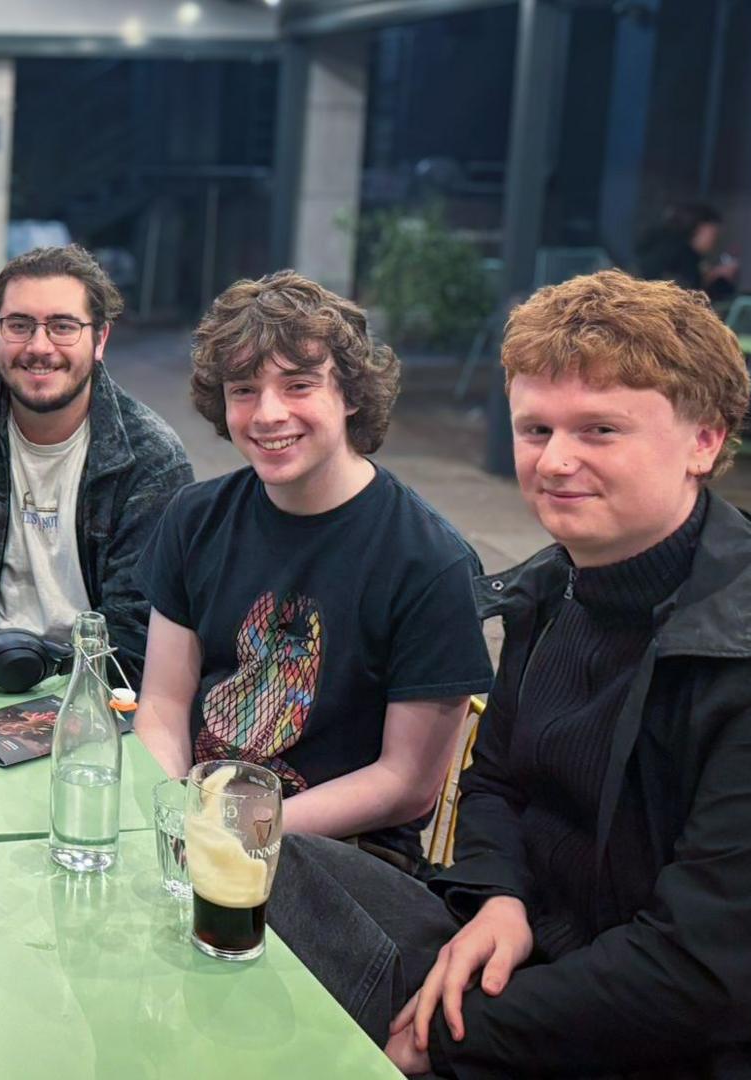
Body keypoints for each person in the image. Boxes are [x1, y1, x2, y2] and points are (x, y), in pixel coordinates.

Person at [266, 270, 751, 1079]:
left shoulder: (740, 649)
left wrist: (450, 1039)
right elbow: (493, 784)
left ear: (703, 440)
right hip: (511, 946)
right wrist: (499, 896)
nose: (557, 461)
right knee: (261, 860)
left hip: (662, 1027)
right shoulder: (549, 587)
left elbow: (705, 969)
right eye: (536, 431)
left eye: (600, 430)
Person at [131, 270, 492, 869]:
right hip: (196, 832)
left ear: (350, 395)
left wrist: (236, 831)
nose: (268, 413)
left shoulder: (430, 562)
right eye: (243, 389)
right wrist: (174, 814)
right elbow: (165, 704)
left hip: (343, 858)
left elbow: (407, 784)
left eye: (298, 385)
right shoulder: (195, 518)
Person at [0, 244, 192, 676]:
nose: (39, 346)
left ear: (100, 339)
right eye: (19, 325)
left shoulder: (151, 458)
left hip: (99, 691)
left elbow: (136, 628)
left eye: (63, 326)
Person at [634, 202, 739, 303]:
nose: (715, 240)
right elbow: (685, 293)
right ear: (700, 228)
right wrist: (713, 276)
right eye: (713, 233)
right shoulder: (681, 255)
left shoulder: (671, 249)